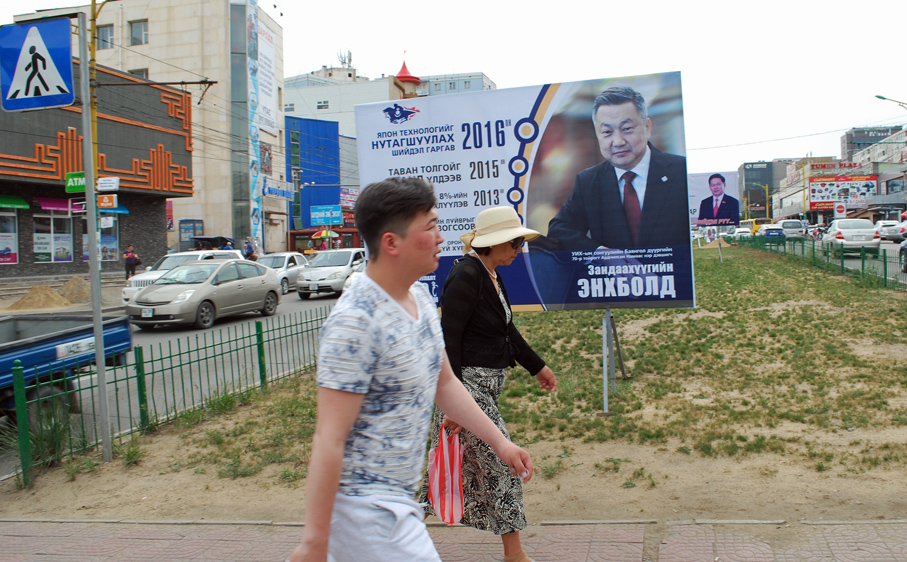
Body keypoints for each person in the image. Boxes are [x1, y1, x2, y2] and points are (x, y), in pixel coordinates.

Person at [288, 178, 535, 562]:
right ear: (391, 243)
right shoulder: (356, 320)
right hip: (362, 513)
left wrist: (500, 443)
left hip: (397, 506)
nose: (441, 237)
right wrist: (314, 543)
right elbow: (329, 438)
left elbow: (446, 383)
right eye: (430, 226)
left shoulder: (419, 296)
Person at [418, 206, 557, 562]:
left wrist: (537, 366)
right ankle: (515, 554)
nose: (518, 249)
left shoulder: (490, 273)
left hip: (480, 389)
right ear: (493, 244)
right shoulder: (466, 274)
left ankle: (393, 541)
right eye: (514, 242)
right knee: (502, 464)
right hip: (468, 389)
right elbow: (449, 340)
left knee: (443, 472)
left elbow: (506, 327)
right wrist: (456, 405)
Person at [547, 86, 689, 250]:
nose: (618, 141)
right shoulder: (589, 182)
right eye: (607, 132)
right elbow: (559, 231)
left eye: (627, 129)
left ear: (647, 127)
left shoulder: (681, 172)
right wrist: (601, 254)